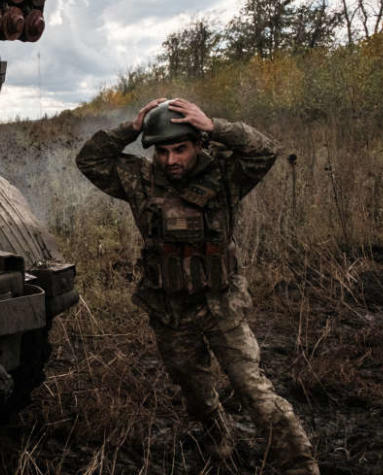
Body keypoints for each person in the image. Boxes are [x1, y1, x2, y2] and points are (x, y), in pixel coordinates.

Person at [75, 97, 318, 474]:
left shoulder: (224, 174)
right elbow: (89, 161)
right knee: (194, 393)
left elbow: (265, 150)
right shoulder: (140, 179)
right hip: (169, 309)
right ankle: (220, 439)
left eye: (180, 149)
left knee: (252, 389)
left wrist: (215, 125)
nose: (171, 160)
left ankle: (299, 463)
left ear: (198, 144)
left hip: (220, 304)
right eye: (163, 151)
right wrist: (130, 128)